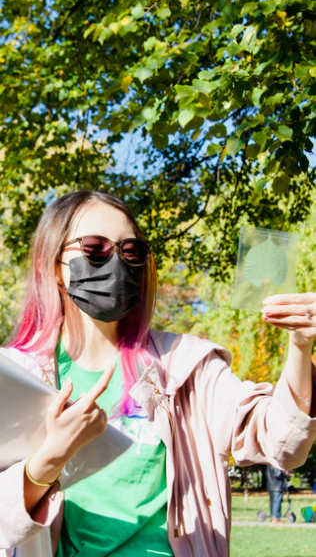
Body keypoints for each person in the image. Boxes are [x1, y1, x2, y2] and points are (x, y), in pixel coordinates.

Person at [0, 189, 316, 557]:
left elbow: (285, 444)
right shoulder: (16, 375)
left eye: (131, 251)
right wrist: (51, 457)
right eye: (95, 248)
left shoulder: (187, 364)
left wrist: (301, 346)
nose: (117, 263)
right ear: (51, 266)